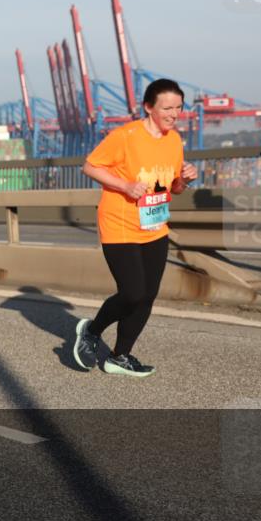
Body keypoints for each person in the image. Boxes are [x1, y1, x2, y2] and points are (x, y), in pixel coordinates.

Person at [73, 79, 198, 377]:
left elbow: (174, 187)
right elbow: (90, 166)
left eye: (179, 108)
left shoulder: (173, 140)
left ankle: (120, 356)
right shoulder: (125, 136)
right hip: (120, 224)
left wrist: (185, 180)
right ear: (149, 107)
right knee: (132, 293)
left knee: (147, 296)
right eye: (167, 108)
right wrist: (125, 186)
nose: (174, 114)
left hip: (155, 226)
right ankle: (92, 331)